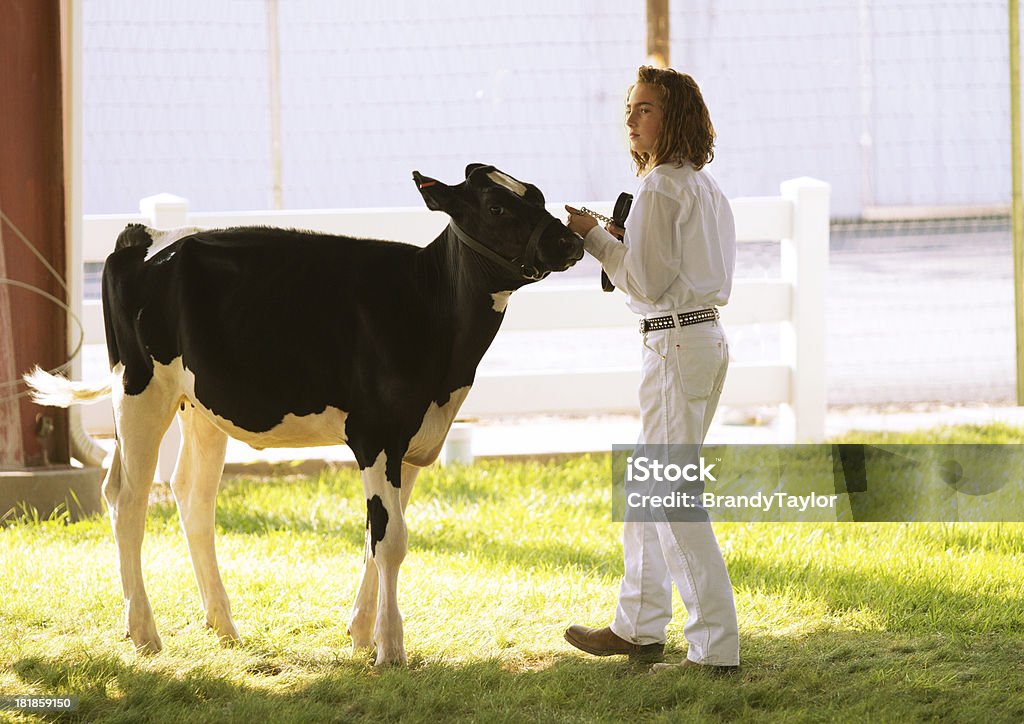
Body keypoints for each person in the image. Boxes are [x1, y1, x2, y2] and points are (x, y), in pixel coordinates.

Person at [563, 66, 739, 672]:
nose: (631, 119)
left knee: (668, 497)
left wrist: (593, 237)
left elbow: (645, 279)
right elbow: (665, 268)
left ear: (675, 116)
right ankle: (637, 627)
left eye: (645, 109)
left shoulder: (662, 187)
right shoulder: (703, 186)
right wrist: (623, 240)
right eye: (631, 109)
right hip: (697, 342)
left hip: (674, 346)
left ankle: (715, 647)